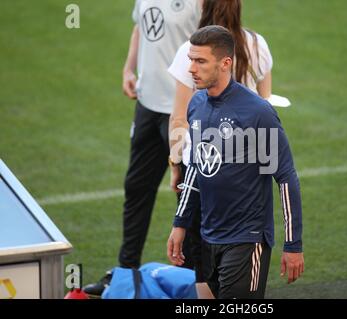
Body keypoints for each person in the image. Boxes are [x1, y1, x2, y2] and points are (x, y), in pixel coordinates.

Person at [167, 25, 304, 299]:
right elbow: (196, 168)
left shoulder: (256, 112)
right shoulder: (197, 105)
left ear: (225, 63)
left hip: (247, 238)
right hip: (208, 235)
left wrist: (293, 245)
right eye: (190, 60)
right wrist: (180, 223)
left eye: (200, 61)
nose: (191, 68)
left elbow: (286, 177)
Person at [82, 0, 202, 297]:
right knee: (136, 187)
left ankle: (192, 283)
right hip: (147, 106)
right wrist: (128, 68)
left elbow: (210, 49)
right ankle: (125, 274)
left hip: (182, 110)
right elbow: (141, 27)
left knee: (188, 199)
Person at [166, 0, 273, 283]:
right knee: (239, 261)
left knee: (201, 264)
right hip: (245, 175)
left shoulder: (190, 51)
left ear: (204, 6)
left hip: (202, 171)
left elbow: (179, 119)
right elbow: (266, 107)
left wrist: (175, 164)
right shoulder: (257, 44)